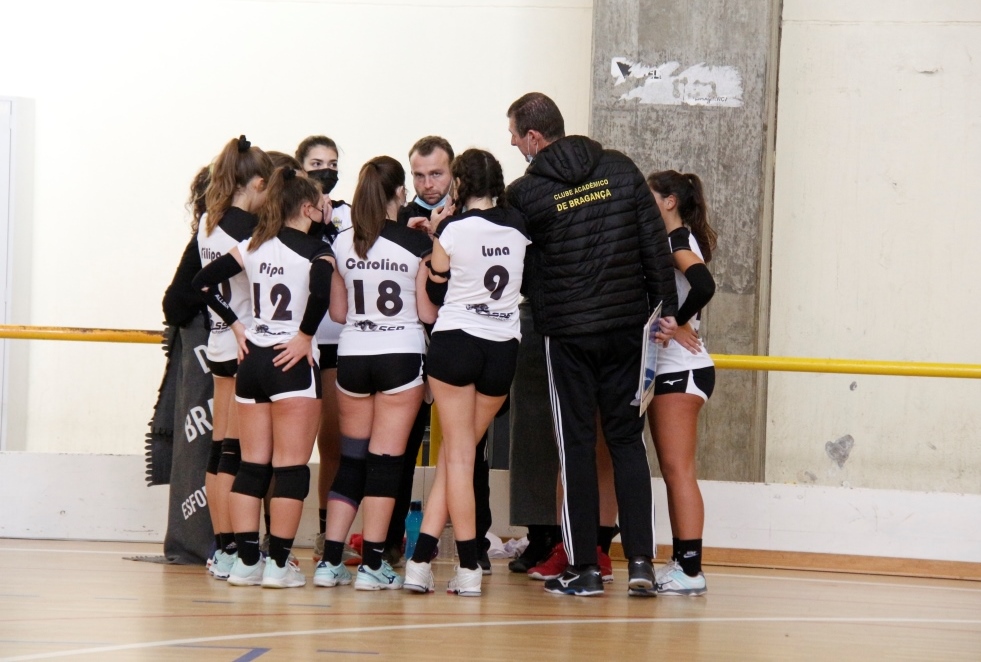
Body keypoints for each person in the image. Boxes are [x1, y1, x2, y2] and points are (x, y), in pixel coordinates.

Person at [505, 92, 678, 597]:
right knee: (626, 442)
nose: (512, 142)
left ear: (535, 138)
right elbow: (653, 242)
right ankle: (642, 563)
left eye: (515, 134)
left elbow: (524, 272)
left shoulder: (526, 194)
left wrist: (549, 305)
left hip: (568, 336)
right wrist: (664, 308)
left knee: (576, 447)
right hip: (627, 329)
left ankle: (585, 569)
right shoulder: (621, 170)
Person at [193, 165, 336, 588]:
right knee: (291, 469)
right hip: (291, 362)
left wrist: (237, 326)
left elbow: (202, 284)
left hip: (252, 359)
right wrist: (305, 336)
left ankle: (246, 561)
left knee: (251, 465)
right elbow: (324, 293)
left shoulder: (251, 245)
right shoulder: (316, 251)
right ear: (308, 208)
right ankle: (277, 565)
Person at [402, 149, 528, 597]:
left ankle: (470, 564)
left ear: (459, 183)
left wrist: (436, 242)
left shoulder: (452, 228)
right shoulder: (519, 226)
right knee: (462, 456)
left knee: (456, 457)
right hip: (502, 348)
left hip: (456, 343)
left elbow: (436, 286)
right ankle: (420, 561)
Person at [314, 156, 438, 591]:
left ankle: (330, 563)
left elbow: (338, 311)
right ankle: (371, 566)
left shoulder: (342, 244)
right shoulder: (416, 243)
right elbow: (426, 311)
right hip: (399, 356)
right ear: (399, 194)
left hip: (352, 357)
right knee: (386, 463)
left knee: (351, 460)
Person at [389, 136, 494, 574]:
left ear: (454, 175)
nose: (427, 183)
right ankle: (393, 543)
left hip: (463, 346)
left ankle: (476, 546)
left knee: (469, 450)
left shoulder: (474, 220)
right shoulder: (399, 222)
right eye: (418, 175)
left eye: (436, 174)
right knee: (401, 448)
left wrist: (441, 236)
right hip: (411, 349)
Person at [195, 136, 273, 579]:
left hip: (220, 343)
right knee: (237, 455)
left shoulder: (208, 218)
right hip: (241, 343)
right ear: (258, 183)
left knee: (219, 449)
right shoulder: (244, 227)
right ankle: (235, 551)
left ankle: (223, 549)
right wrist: (239, 322)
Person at [645, 170, 717, 596]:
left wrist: (678, 321)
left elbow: (704, 284)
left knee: (678, 470)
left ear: (669, 201)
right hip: (671, 368)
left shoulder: (676, 241)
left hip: (682, 369)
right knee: (674, 471)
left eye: (650, 196)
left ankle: (690, 569)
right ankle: (681, 564)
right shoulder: (676, 241)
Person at [294, 135, 356, 565]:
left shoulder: (349, 215)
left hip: (337, 341)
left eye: (332, 163)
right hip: (295, 342)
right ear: (300, 169)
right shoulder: (285, 216)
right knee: (288, 447)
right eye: (316, 163)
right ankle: (265, 537)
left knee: (333, 444)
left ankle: (325, 537)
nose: (325, 170)